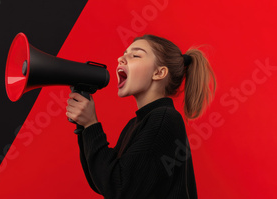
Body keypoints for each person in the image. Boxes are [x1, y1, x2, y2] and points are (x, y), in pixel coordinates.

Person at [66, 34, 216, 199]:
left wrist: (91, 125)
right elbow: (103, 182)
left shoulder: (164, 119)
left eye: (135, 55)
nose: (120, 58)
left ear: (159, 72)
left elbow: (120, 188)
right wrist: (84, 127)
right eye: (124, 53)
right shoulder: (138, 123)